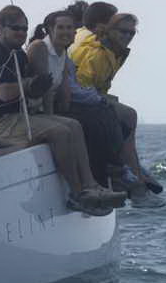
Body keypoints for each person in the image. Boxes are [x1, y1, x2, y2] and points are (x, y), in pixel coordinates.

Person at [0, 6, 125, 215]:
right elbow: (3, 93)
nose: (21, 33)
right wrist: (30, 85)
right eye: (15, 28)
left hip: (16, 117)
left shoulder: (17, 54)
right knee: (60, 132)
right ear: (0, 28)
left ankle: (90, 185)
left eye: (24, 29)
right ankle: (77, 194)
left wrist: (38, 89)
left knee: (74, 125)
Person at [71, 12, 165, 207]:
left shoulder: (115, 51)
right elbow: (81, 85)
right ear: (110, 31)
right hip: (78, 99)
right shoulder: (97, 54)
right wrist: (103, 101)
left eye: (132, 33)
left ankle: (132, 169)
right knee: (128, 115)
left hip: (92, 95)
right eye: (123, 31)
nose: (127, 36)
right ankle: (132, 178)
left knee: (124, 114)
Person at [26, 10, 127, 187]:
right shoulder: (40, 48)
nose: (66, 32)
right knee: (82, 124)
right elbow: (45, 89)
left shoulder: (63, 53)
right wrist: (53, 120)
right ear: (50, 29)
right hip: (34, 110)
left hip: (52, 106)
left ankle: (113, 173)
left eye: (69, 28)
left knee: (102, 115)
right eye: (61, 27)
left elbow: (65, 92)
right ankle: (92, 182)